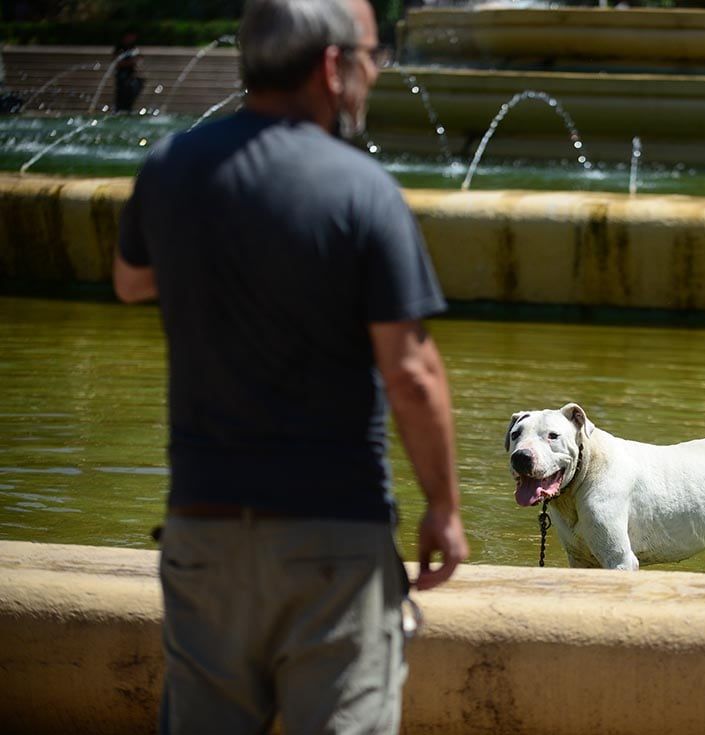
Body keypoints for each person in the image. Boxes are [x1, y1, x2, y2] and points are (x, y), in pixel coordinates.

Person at [113, 0, 469, 732]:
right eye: (371, 55)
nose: (375, 73)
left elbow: (130, 280)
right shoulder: (361, 189)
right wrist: (444, 505)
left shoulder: (171, 165)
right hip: (331, 539)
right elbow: (412, 374)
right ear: (332, 67)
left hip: (202, 530)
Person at [113, 31, 144, 113]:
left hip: (130, 75)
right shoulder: (120, 48)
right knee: (122, 92)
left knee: (133, 88)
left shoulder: (133, 48)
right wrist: (130, 62)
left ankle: (127, 108)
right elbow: (117, 62)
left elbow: (139, 58)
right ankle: (120, 109)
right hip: (122, 75)